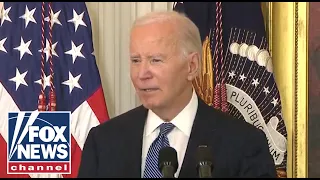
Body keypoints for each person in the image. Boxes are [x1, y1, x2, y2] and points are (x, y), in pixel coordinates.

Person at [77, 10, 277, 178]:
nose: (142, 74)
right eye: (136, 60)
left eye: (155, 60)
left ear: (192, 66)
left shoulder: (244, 144)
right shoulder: (103, 142)